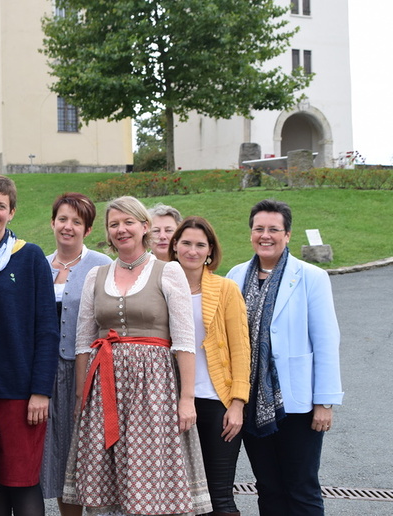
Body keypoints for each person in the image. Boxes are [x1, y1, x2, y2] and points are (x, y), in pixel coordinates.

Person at [64, 195, 211, 516]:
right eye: (114, 224)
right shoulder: (96, 276)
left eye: (128, 222)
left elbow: (184, 342)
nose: (121, 229)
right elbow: (84, 342)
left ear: (145, 226)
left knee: (148, 470)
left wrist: (186, 399)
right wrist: (80, 397)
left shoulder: (168, 272)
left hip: (153, 389)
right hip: (104, 388)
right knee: (106, 471)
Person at [226, 199, 343, 516]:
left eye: (274, 229)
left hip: (297, 403)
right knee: (268, 487)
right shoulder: (236, 275)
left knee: (301, 486)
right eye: (259, 228)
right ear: (251, 233)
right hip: (251, 402)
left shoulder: (311, 276)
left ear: (287, 234)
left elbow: (326, 341)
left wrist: (325, 401)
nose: (265, 235)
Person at [0, 175, 59, 516]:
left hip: (18, 390)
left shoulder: (29, 257)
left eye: (0, 206)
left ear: (12, 213)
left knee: (21, 481)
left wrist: (41, 391)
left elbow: (47, 329)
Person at [169, 216, 251, 516]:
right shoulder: (162, 286)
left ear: (210, 250)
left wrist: (237, 403)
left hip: (217, 402)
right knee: (178, 497)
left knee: (219, 497)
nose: (192, 251)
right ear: (175, 246)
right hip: (171, 403)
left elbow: (241, 349)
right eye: (186, 243)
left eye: (200, 245)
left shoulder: (226, 289)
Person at [40, 193, 111, 516]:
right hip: (45, 370)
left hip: (86, 371)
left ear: (88, 229)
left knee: (83, 450)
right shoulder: (39, 264)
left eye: (77, 222)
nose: (68, 227)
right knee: (55, 450)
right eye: (63, 219)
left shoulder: (101, 265)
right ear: (53, 222)